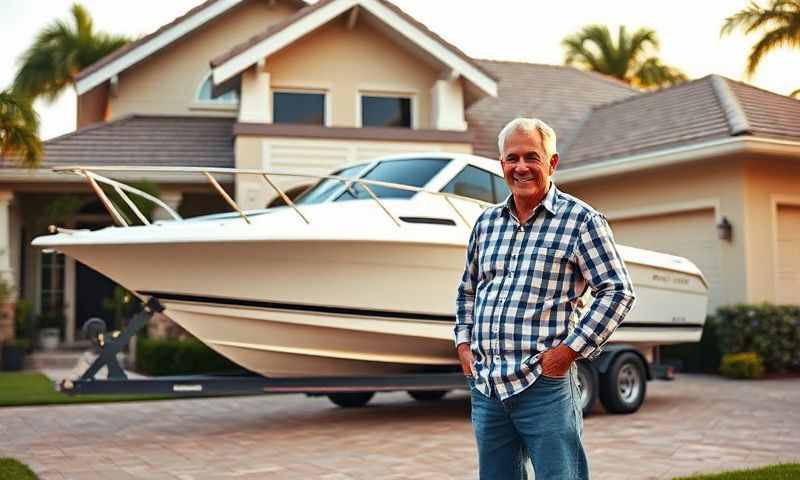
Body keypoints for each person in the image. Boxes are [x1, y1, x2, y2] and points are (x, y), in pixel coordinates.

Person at [454, 117, 636, 479]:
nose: (521, 167)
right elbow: (468, 290)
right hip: (488, 386)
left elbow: (617, 291)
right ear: (502, 164)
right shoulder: (485, 224)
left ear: (551, 163)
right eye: (512, 158)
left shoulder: (582, 221)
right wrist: (463, 344)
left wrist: (566, 354)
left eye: (532, 157)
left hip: (544, 386)